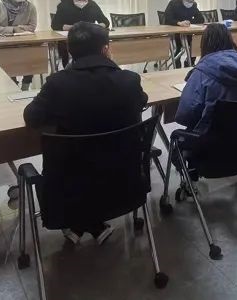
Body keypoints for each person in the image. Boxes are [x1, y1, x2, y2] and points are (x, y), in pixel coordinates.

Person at [24, 22, 147, 245]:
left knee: (83, 167)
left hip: (70, 191)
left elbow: (32, 118)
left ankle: (82, 223)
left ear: (70, 51)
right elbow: (141, 102)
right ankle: (93, 223)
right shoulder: (129, 80)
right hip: (124, 185)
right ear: (105, 49)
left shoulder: (58, 84)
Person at [174, 23, 237, 135]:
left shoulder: (201, 72)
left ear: (205, 44)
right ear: (230, 40)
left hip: (209, 139)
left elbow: (184, 115)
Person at [0, 0, 38, 90]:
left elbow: (32, 26)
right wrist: (13, 29)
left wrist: (18, 29)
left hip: (24, 43)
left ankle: (26, 85)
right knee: (8, 58)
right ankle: (13, 85)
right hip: (4, 45)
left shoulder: (30, 7)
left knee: (32, 55)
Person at [51, 0, 110, 68]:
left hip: (89, 37)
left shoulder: (92, 5)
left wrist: (95, 26)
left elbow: (106, 22)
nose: (82, 2)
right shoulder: (63, 5)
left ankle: (97, 67)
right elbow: (54, 25)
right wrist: (71, 27)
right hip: (70, 38)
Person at [164, 0, 204, 68]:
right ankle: (177, 65)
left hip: (188, 31)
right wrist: (179, 23)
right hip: (175, 31)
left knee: (196, 43)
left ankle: (189, 63)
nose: (189, 3)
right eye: (188, 1)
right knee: (178, 46)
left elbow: (201, 19)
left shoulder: (193, 5)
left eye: (191, 2)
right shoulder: (173, 3)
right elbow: (167, 18)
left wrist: (190, 22)